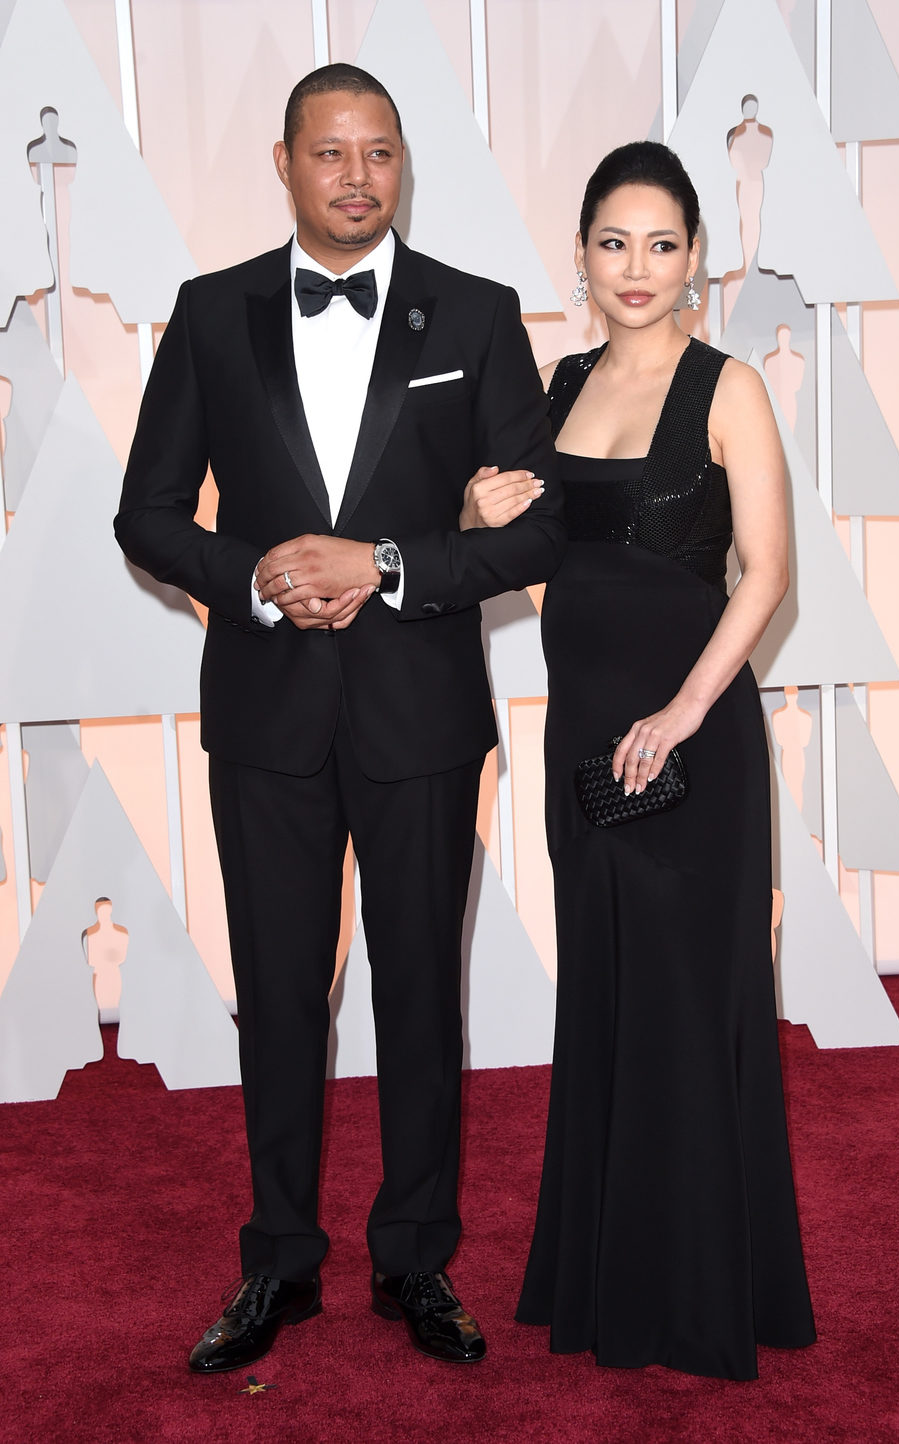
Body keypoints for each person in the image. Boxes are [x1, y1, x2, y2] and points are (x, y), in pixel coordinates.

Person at [114, 63, 562, 1373]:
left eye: (380, 153)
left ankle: (417, 1259)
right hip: (264, 716)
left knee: (423, 993)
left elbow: (535, 526)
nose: (358, 176)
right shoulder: (209, 314)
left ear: (401, 164)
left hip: (421, 713)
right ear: (284, 161)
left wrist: (394, 565)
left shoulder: (475, 316)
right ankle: (280, 1265)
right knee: (278, 997)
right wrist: (251, 580)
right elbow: (148, 513)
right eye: (331, 153)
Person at [469, 141, 815, 1379]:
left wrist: (678, 713)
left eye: (661, 244)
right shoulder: (559, 386)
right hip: (583, 738)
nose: (636, 267)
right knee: (608, 996)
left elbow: (767, 574)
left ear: (696, 261)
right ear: (582, 255)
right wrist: (479, 514)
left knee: (689, 996)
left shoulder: (728, 389)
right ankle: (610, 1276)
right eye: (613, 242)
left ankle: (700, 1292)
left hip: (691, 740)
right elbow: (530, 548)